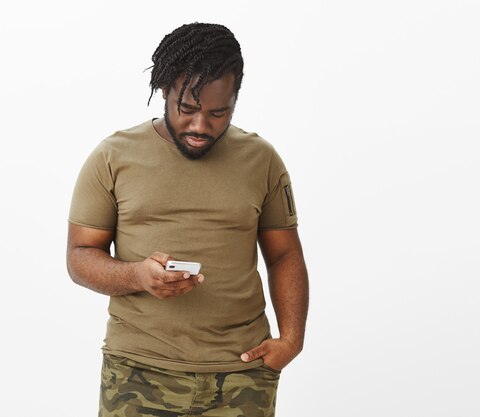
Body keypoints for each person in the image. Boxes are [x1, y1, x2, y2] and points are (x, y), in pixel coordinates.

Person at [66, 22, 309, 417]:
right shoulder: (112, 157)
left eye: (218, 112)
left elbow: (284, 255)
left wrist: (292, 340)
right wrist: (137, 276)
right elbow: (79, 255)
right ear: (164, 90)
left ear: (235, 99)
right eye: (188, 108)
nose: (201, 126)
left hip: (242, 373)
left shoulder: (262, 160)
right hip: (137, 371)